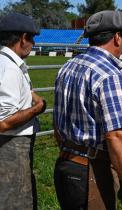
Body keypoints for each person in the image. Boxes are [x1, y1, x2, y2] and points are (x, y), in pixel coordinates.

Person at [53, 10, 122, 210]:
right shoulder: (109, 74)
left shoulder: (68, 66)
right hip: (92, 171)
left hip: (65, 164)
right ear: (116, 37)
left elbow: (57, 120)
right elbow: (117, 136)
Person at [0, 12, 46, 210]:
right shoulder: (9, 69)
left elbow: (19, 92)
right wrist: (37, 109)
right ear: (22, 38)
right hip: (11, 144)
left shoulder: (7, 62)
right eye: (32, 38)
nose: (33, 43)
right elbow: (4, 122)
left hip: (11, 144)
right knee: (15, 199)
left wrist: (34, 97)